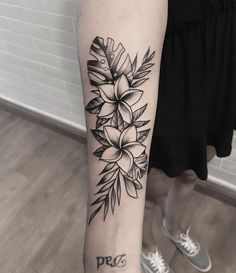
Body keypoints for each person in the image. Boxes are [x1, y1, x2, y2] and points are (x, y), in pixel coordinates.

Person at [77, 0, 236, 273]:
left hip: (222, 57)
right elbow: (116, 185)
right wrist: (115, 259)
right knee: (155, 187)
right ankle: (145, 246)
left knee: (192, 171)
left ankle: (172, 228)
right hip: (172, 68)